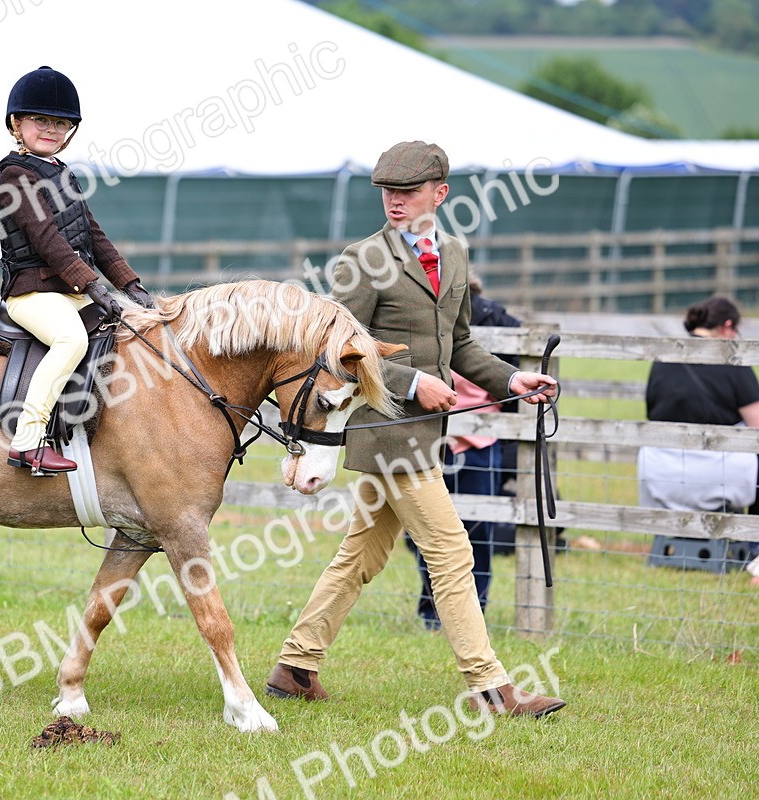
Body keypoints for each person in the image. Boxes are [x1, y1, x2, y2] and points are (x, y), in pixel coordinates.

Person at [265, 140, 566, 717]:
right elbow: (338, 345)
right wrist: (408, 382)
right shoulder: (361, 259)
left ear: (440, 194)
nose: (395, 202)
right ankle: (491, 688)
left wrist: (512, 381)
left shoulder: (454, 255)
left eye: (406, 192)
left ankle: (296, 667)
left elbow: (463, 345)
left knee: (363, 554)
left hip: (425, 431)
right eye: (387, 192)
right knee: (452, 551)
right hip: (384, 429)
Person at [0, 66, 155, 474]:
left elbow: (91, 234)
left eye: (61, 123)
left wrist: (130, 285)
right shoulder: (13, 174)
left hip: (71, 290)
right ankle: (27, 442)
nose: (51, 129)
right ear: (16, 123)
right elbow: (48, 240)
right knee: (70, 341)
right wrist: (95, 286)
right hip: (32, 293)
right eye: (41, 120)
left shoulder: (62, 173)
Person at [405, 276, 521, 629]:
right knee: (421, 533)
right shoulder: (417, 318)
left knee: (475, 532)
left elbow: (510, 355)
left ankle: (473, 612)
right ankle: (435, 610)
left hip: (480, 442)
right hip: (427, 439)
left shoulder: (492, 317)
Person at [638, 296, 759, 560]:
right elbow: (757, 424)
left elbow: (651, 413)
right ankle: (755, 544)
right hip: (720, 476)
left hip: (661, 475)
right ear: (727, 327)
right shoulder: (733, 362)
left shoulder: (663, 360)